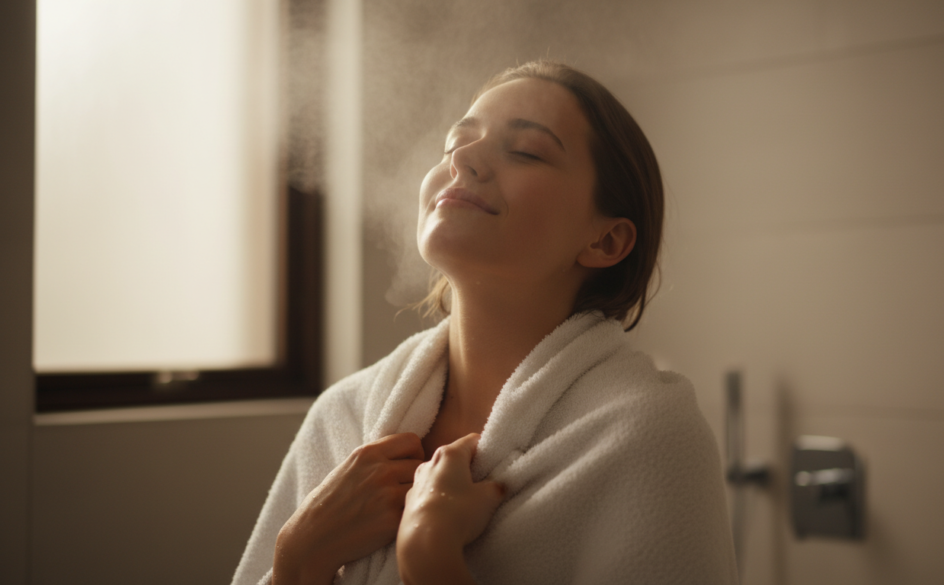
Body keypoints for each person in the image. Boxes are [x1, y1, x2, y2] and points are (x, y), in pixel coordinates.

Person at [232, 60, 737, 585]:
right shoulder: (345, 416)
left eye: (524, 151)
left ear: (605, 241)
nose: (464, 160)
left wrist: (432, 560)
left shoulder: (647, 436)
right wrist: (296, 560)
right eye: (454, 145)